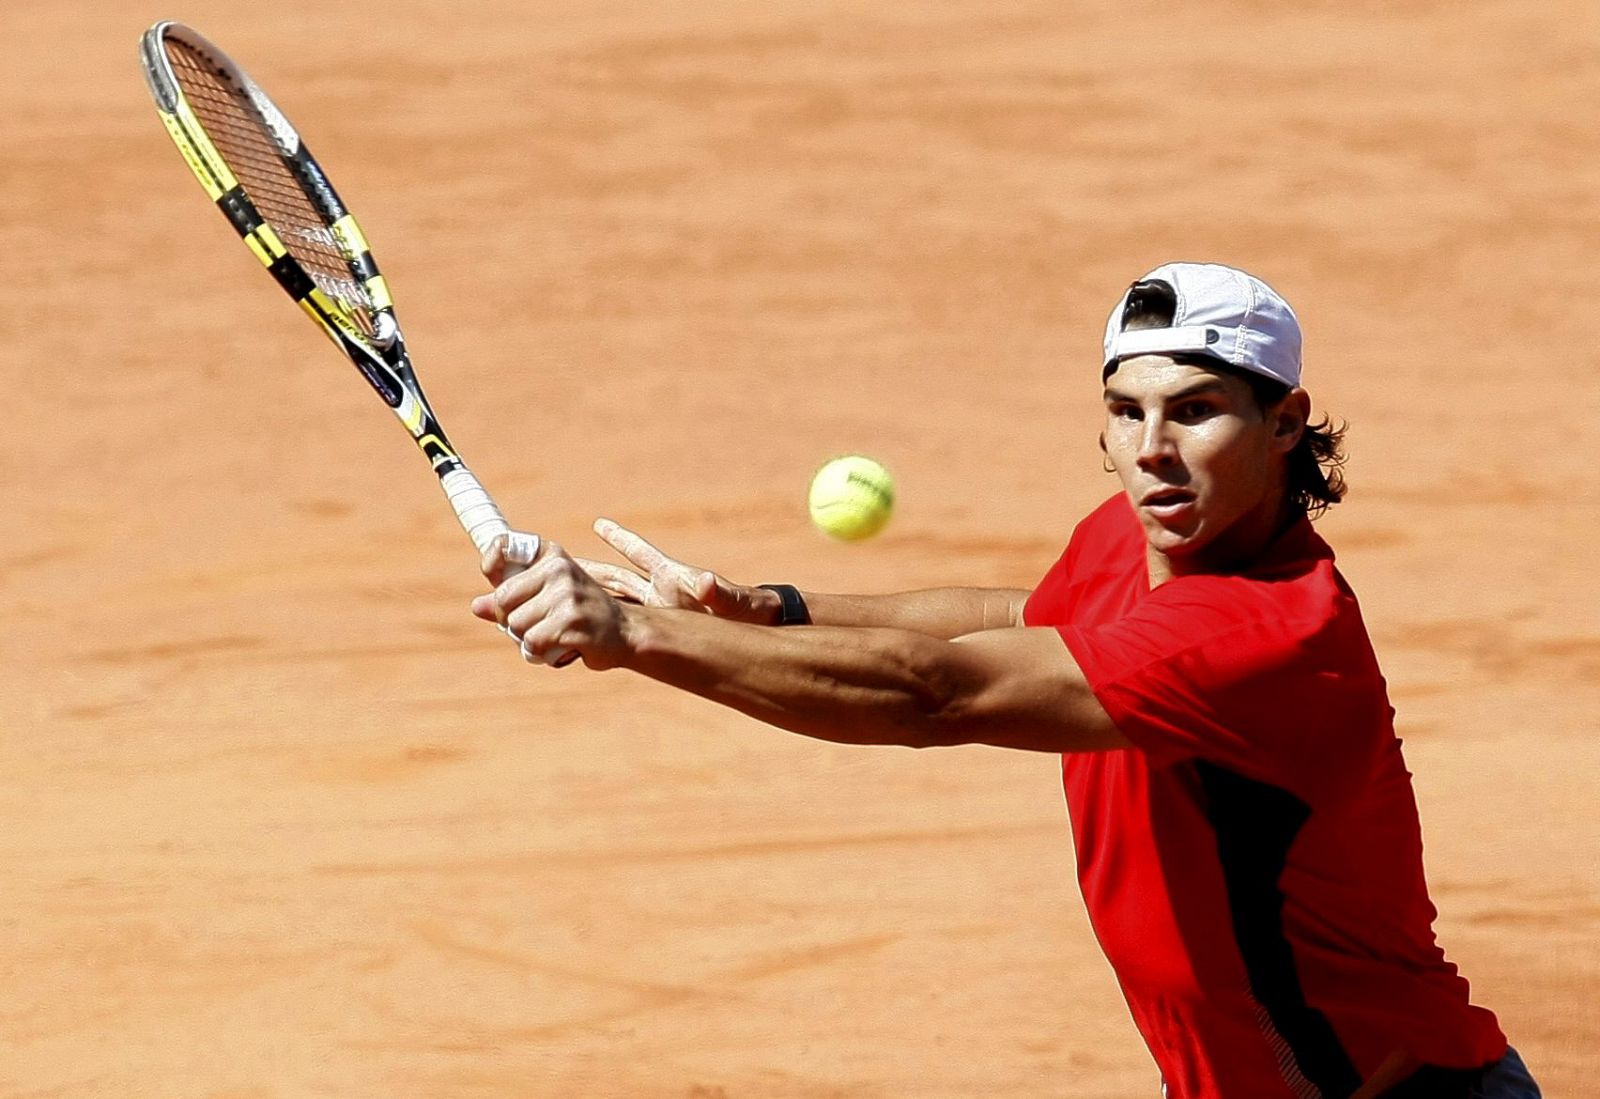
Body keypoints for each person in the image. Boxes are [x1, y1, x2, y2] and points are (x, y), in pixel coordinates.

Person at [470, 262, 1540, 1098]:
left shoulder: (1268, 634)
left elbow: (936, 694)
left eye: (1197, 409)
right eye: (1127, 411)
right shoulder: (1139, 540)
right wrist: (776, 611)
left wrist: (632, 639)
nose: (1153, 451)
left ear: (1285, 419)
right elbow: (1019, 618)